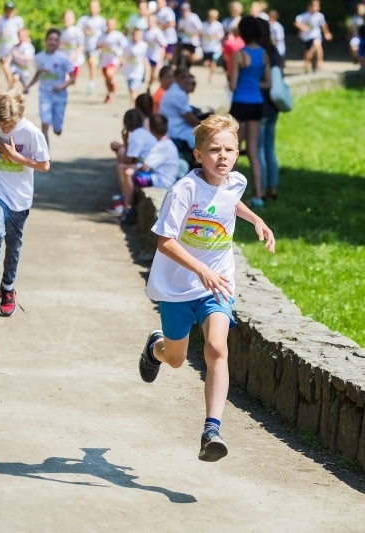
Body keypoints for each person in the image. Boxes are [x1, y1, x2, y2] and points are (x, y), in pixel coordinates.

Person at [138, 114, 276, 462]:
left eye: (229, 149)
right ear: (198, 155)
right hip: (178, 288)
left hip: (217, 284)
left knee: (216, 348)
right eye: (214, 150)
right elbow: (165, 241)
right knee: (175, 359)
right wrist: (200, 269)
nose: (223, 156)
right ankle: (155, 348)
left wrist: (256, 220)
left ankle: (211, 430)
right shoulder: (183, 190)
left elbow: (229, 200)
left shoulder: (236, 182)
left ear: (238, 153)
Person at [0, 91, 50, 317]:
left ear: (21, 116)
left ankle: (7, 288)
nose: (4, 129)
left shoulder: (31, 132)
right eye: (1, 125)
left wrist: (16, 157)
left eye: (10, 126)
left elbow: (45, 165)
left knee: (13, 244)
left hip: (20, 196)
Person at [230, 16, 270, 207]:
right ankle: (259, 195)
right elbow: (267, 83)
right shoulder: (264, 54)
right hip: (257, 103)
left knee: (232, 147)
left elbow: (233, 85)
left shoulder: (239, 55)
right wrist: (254, 84)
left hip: (240, 102)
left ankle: (229, 192)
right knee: (253, 150)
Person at [116, 113, 180, 223]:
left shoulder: (161, 146)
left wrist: (133, 167)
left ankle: (128, 207)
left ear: (151, 128)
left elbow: (145, 167)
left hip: (162, 180)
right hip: (162, 177)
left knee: (128, 173)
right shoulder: (166, 142)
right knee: (128, 171)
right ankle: (127, 204)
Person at [24, 28, 74, 146]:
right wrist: (27, 87)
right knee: (45, 123)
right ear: (46, 40)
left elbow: (73, 78)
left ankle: (57, 126)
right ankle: (46, 154)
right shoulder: (39, 57)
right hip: (45, 94)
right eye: (50, 39)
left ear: (59, 43)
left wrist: (61, 86)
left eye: (56, 40)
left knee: (57, 130)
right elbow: (37, 75)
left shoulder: (63, 58)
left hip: (60, 96)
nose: (52, 42)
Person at [107, 109, 157, 217]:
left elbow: (128, 159)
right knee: (122, 163)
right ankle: (126, 200)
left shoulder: (136, 135)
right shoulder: (142, 132)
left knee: (121, 168)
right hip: (147, 163)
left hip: (148, 167)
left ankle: (126, 203)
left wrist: (124, 141)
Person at [256, 17, 281, 201]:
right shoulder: (275, 52)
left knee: (259, 150)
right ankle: (273, 188)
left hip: (261, 105)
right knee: (270, 149)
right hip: (274, 105)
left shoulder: (259, 53)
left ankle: (261, 190)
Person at [159, 70, 202, 160]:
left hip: (173, 128)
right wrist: (204, 126)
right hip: (175, 133)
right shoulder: (179, 94)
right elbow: (189, 119)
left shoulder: (176, 90)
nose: (193, 84)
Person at [0, 1, 24, 89]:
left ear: (14, 10)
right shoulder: (0, 20)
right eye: (7, 9)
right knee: (8, 69)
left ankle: (11, 88)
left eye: (11, 9)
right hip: (2, 50)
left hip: (13, 49)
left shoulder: (18, 20)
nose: (9, 11)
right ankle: (20, 86)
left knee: (6, 66)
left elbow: (21, 33)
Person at [295, 0, 333, 73]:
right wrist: (302, 27)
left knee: (317, 45)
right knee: (309, 53)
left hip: (315, 35)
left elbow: (324, 25)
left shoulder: (320, 16)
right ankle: (308, 65)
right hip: (306, 37)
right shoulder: (304, 15)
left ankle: (319, 62)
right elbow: (297, 23)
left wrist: (327, 33)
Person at [78, 0, 107, 95]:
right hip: (86, 47)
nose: (92, 9)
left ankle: (91, 83)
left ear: (99, 8)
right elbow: (77, 31)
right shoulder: (83, 20)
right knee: (90, 65)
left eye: (95, 7)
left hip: (96, 48)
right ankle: (93, 78)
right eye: (91, 7)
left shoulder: (102, 21)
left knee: (92, 63)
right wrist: (84, 31)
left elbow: (106, 33)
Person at [97, 18, 128, 104]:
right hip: (104, 60)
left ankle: (113, 84)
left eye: (111, 25)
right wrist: (100, 46)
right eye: (108, 24)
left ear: (115, 25)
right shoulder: (102, 35)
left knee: (109, 73)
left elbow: (125, 45)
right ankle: (110, 92)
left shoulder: (118, 35)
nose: (109, 26)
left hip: (114, 59)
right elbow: (97, 46)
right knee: (106, 79)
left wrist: (121, 56)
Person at [121, 28, 148, 106]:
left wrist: (146, 69)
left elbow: (145, 58)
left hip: (139, 71)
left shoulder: (144, 45)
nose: (136, 37)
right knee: (131, 89)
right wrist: (122, 60)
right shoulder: (127, 45)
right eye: (135, 35)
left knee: (133, 89)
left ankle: (135, 106)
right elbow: (122, 54)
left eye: (138, 35)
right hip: (129, 71)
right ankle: (134, 102)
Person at [61, 10, 86, 84]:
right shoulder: (60, 32)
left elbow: (81, 46)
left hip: (76, 61)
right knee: (64, 80)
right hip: (64, 61)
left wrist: (73, 56)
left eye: (68, 18)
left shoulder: (77, 31)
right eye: (65, 18)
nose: (66, 20)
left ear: (73, 20)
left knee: (72, 82)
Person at [143, 14, 167, 90]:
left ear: (155, 22)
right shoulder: (144, 31)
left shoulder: (157, 32)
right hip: (146, 55)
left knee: (154, 75)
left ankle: (149, 87)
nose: (149, 23)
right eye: (148, 21)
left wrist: (161, 59)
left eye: (151, 21)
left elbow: (163, 46)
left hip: (155, 56)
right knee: (146, 70)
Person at [201, 9, 225, 83]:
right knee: (205, 63)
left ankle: (210, 77)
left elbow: (221, 36)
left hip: (215, 47)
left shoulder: (218, 25)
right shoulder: (204, 24)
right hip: (206, 48)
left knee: (213, 62)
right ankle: (212, 71)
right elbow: (201, 35)